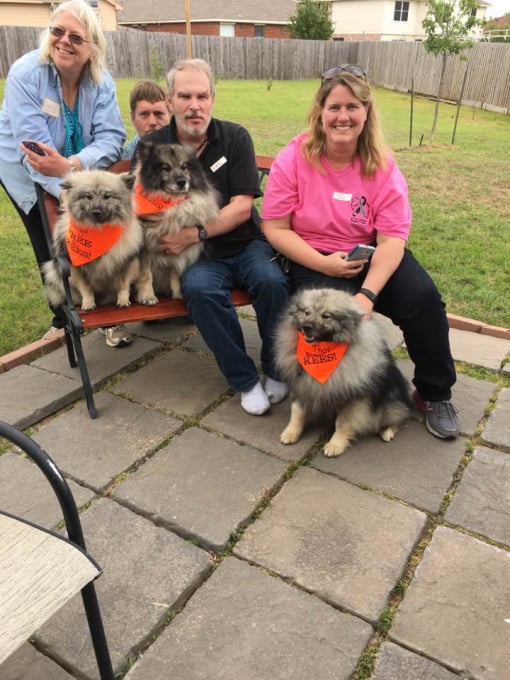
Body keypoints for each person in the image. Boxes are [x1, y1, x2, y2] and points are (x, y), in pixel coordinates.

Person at [261, 64, 459, 440]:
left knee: (423, 299)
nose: (343, 116)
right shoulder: (294, 157)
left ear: (366, 112)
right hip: (312, 256)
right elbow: (275, 227)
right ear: (320, 111)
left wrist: (367, 294)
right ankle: (321, 396)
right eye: (334, 107)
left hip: (369, 254)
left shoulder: (381, 165)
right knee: (323, 320)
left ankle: (435, 394)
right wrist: (324, 264)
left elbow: (392, 239)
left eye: (352, 107)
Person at [144, 58, 290, 416]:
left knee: (272, 282)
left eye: (202, 96)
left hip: (245, 242)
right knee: (200, 291)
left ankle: (276, 370)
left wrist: (194, 232)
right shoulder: (153, 146)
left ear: (212, 98)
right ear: (170, 100)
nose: (194, 106)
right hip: (198, 257)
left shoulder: (235, 137)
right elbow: (144, 203)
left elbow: (241, 207)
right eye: (185, 96)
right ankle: (245, 380)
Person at [0, 0, 127, 347]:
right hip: (23, 170)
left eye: (76, 36)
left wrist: (73, 166)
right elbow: (36, 155)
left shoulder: (100, 81)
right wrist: (69, 189)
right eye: (58, 31)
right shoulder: (26, 74)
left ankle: (103, 311)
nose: (64, 41)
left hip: (77, 172)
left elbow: (112, 137)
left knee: (97, 236)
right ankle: (63, 319)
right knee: (51, 242)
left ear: (92, 47)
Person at [121, 79, 171, 160]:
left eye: (158, 114)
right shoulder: (125, 160)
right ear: (133, 118)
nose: (152, 122)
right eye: (144, 115)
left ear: (170, 115)